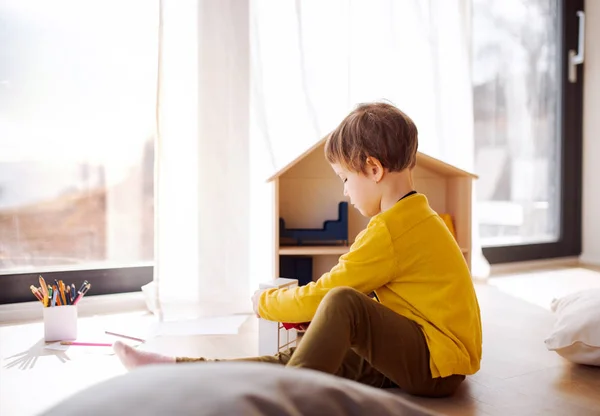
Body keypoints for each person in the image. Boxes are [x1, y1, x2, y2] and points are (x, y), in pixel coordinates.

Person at [113, 102, 482, 398]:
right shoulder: (419, 217)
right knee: (293, 359)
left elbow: (324, 295)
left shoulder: (391, 230)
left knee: (342, 302)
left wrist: (265, 302)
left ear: (372, 169)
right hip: (433, 361)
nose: (345, 192)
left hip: (435, 366)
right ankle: (178, 368)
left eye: (345, 179)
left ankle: (283, 403)